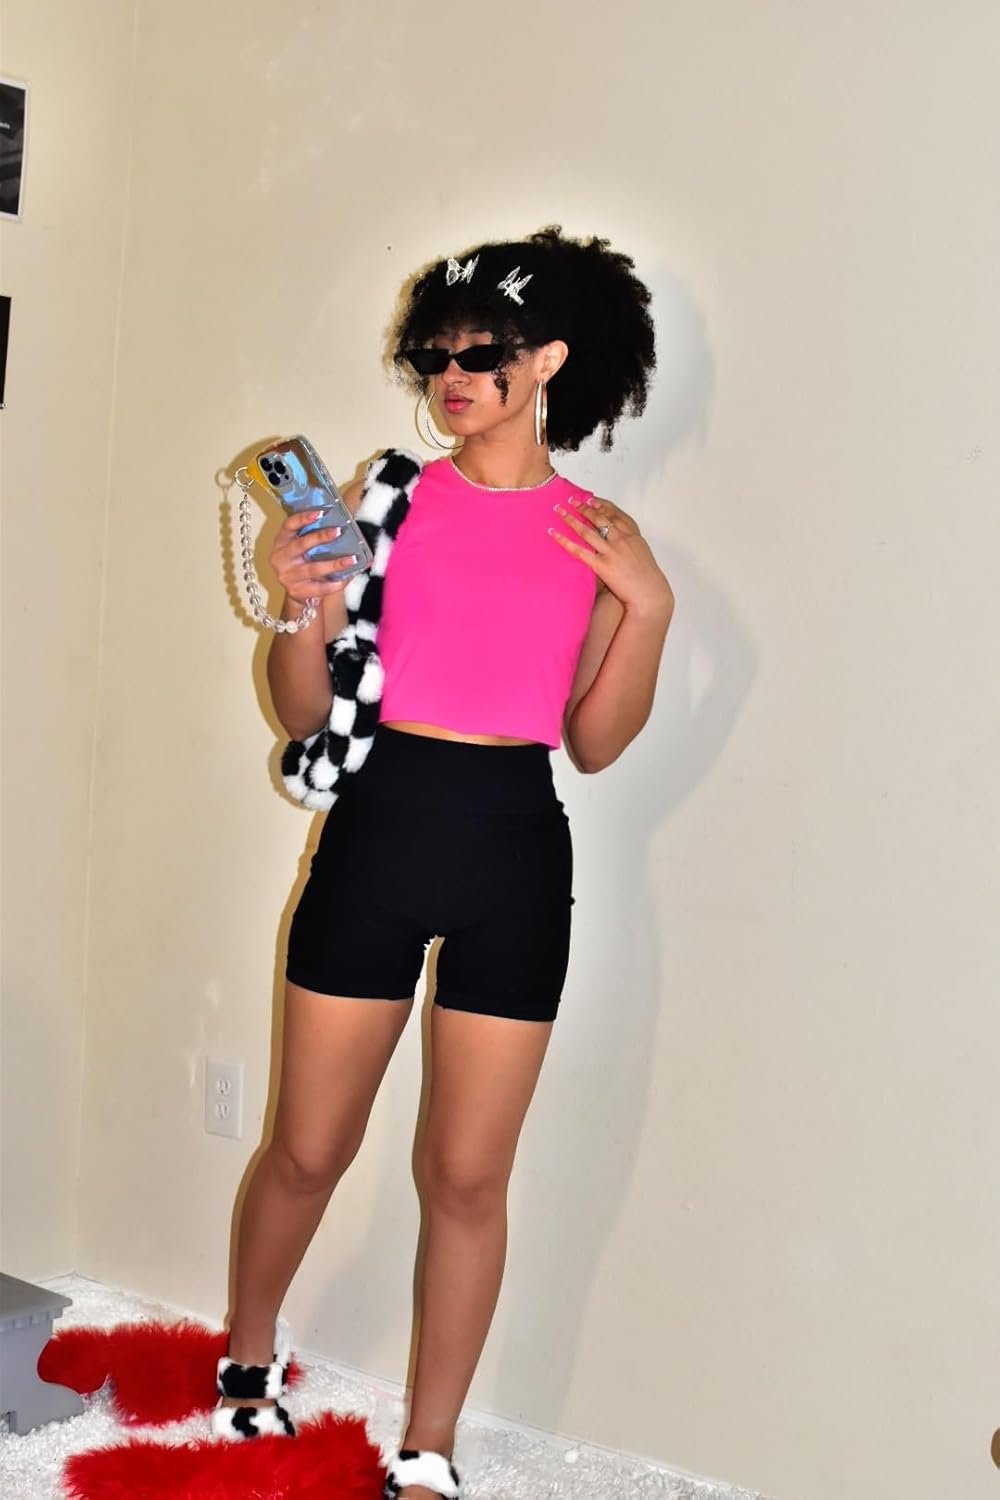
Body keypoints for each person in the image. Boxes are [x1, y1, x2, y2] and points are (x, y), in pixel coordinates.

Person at [215, 227, 675, 1500]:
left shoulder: (598, 534)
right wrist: (300, 605)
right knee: (309, 1149)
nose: (452, 378)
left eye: (481, 355)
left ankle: (429, 1446)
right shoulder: (385, 503)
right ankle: (246, 1356)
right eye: (435, 357)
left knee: (468, 1177)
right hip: (380, 830)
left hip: (514, 851)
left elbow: (594, 741)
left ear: (550, 362)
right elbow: (303, 712)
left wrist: (648, 606)